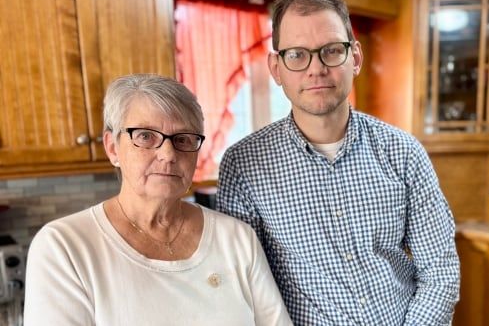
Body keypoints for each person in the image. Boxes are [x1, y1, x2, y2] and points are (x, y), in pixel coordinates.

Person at [216, 0, 460, 326]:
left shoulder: (403, 152)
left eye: (331, 50)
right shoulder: (243, 165)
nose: (316, 69)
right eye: (297, 54)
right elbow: (241, 287)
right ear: (276, 68)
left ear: (354, 58)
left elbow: (440, 270)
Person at [24, 74, 292, 326]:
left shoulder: (236, 238)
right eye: (145, 136)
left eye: (183, 139)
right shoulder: (64, 247)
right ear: (112, 147)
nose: (168, 154)